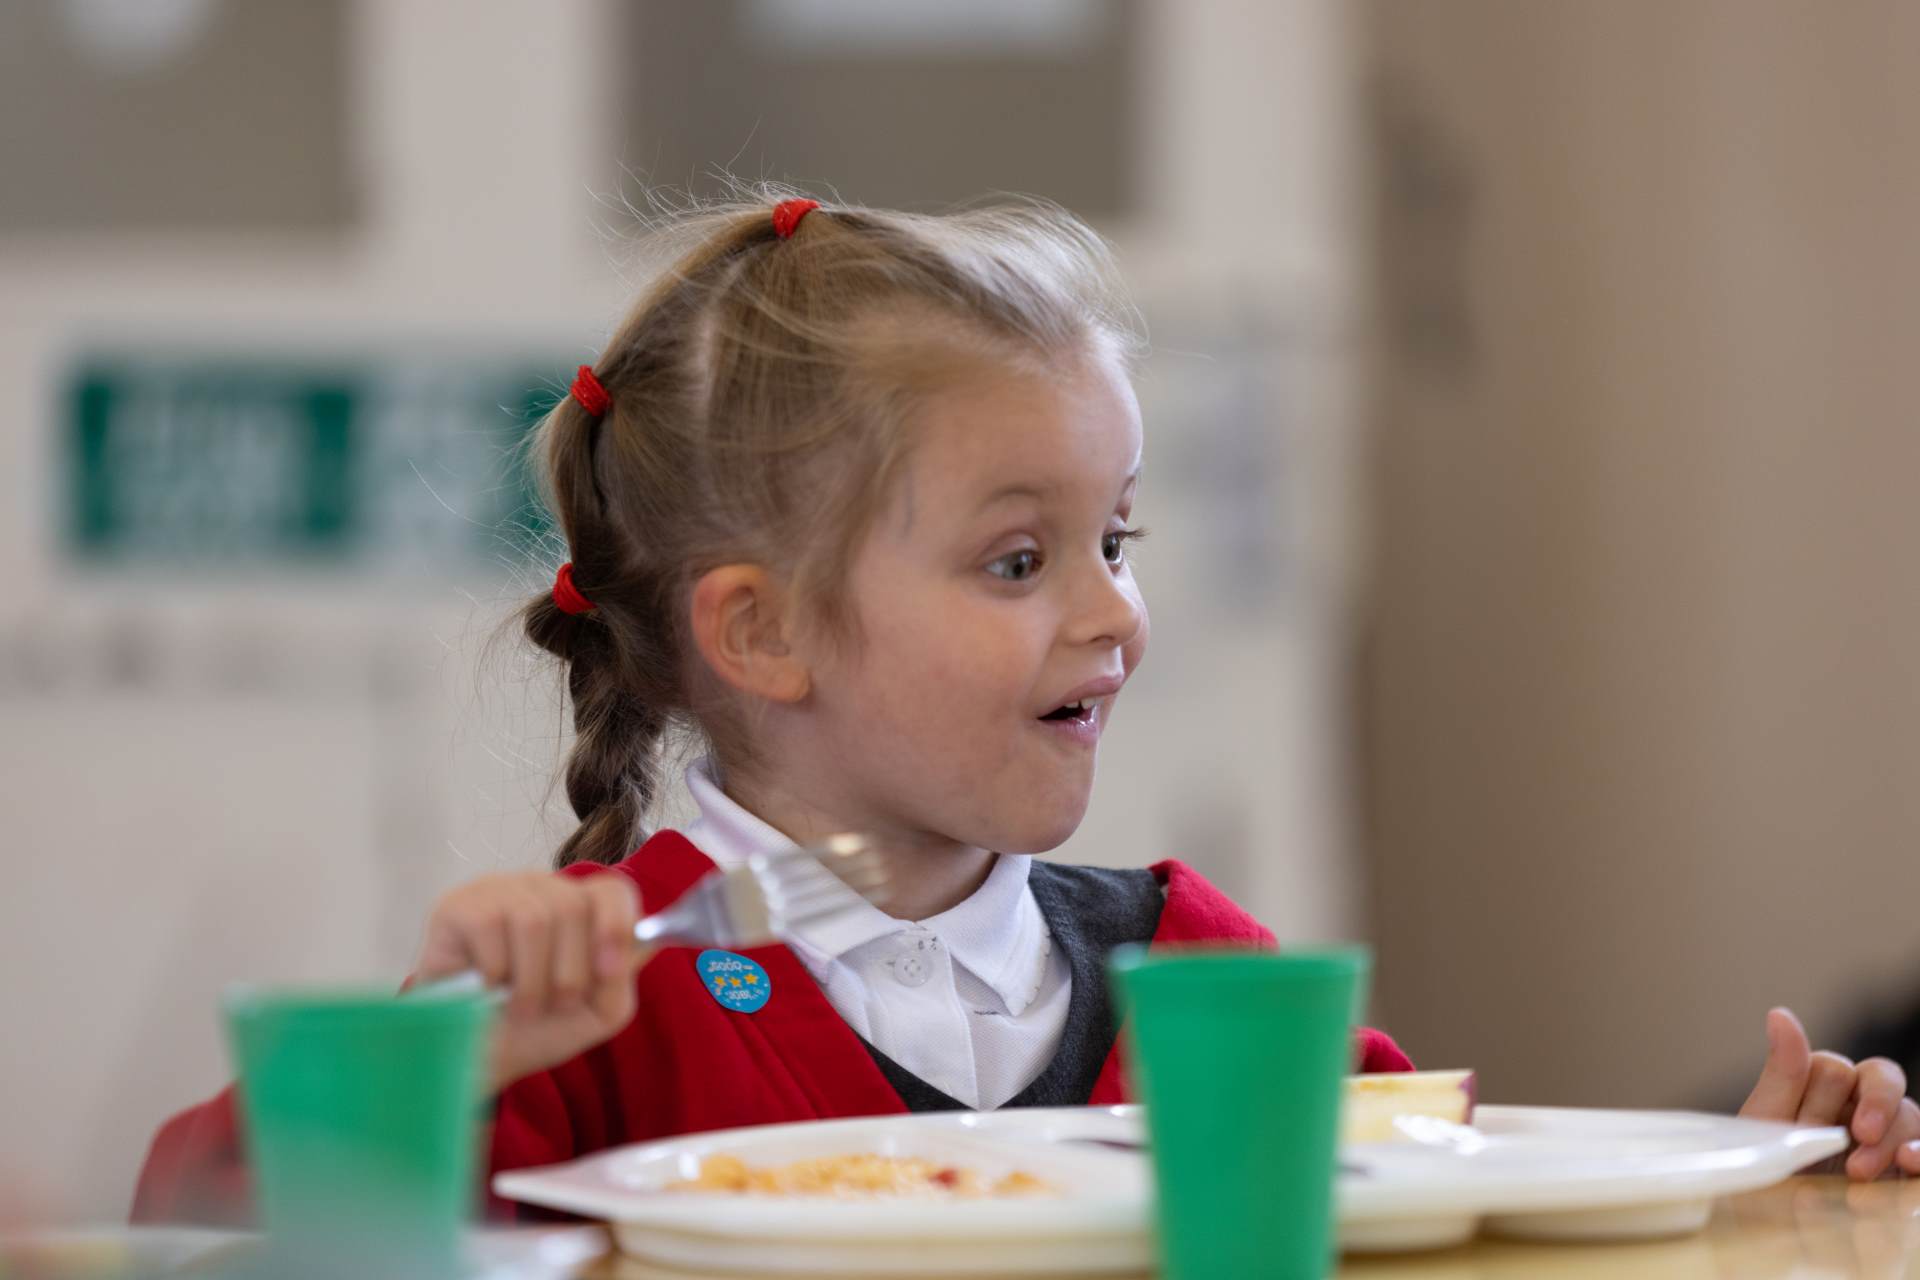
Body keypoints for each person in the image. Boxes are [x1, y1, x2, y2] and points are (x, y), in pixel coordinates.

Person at [132, 194, 1917, 1225]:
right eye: (1016, 561)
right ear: (760, 633)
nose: (1117, 613)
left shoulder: (1199, 971)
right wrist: (434, 1075)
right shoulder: (597, 999)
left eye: (1117, 538)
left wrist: (1753, 1192)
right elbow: (197, 1234)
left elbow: (1433, 1224)